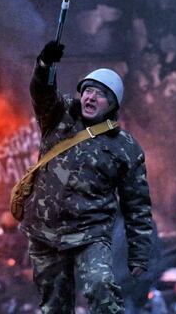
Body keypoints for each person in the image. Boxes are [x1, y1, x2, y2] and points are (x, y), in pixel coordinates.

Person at [20, 41, 153, 314]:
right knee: (54, 307)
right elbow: (42, 92)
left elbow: (137, 205)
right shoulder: (58, 117)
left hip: (90, 235)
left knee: (101, 287)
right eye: (88, 90)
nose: (91, 98)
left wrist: (138, 255)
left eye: (101, 94)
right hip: (46, 233)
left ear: (113, 104)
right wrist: (45, 65)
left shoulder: (126, 148)